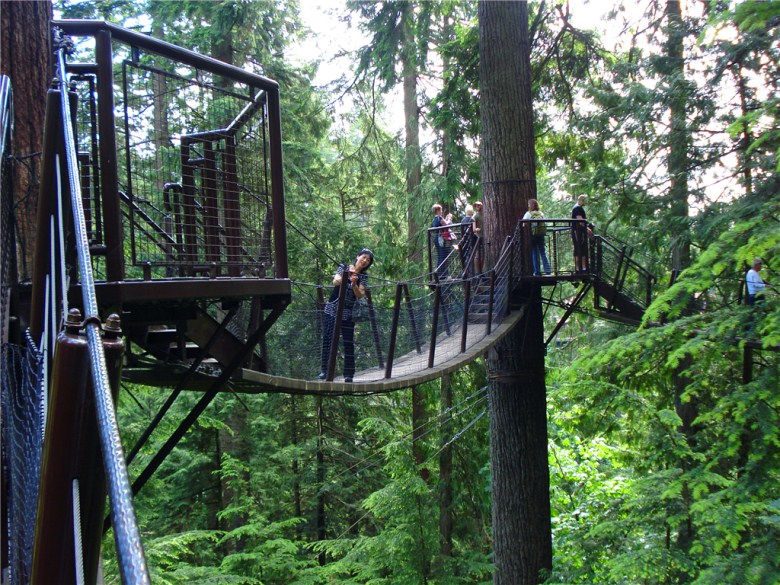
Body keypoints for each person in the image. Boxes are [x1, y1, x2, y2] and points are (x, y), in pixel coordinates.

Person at [319, 249, 374, 383]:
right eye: (364, 257)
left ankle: (349, 374)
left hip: (348, 314)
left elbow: (360, 295)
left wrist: (354, 283)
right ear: (358, 256)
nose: (365, 261)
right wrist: (348, 276)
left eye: (368, 260)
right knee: (328, 339)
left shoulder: (364, 277)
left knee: (348, 343)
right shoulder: (344, 267)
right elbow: (336, 281)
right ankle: (325, 371)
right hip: (332, 309)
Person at [523, 199, 551, 276]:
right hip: (541, 235)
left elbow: (524, 224)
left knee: (535, 253)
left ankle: (537, 272)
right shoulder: (541, 213)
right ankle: (548, 271)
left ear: (530, 205)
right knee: (543, 253)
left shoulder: (528, 213)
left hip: (533, 235)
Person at [571, 195, 593, 273]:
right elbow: (580, 220)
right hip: (578, 232)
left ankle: (582, 267)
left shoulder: (577, 207)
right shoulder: (577, 208)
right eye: (584, 200)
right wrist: (587, 229)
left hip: (579, 232)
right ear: (581, 200)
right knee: (579, 249)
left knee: (581, 249)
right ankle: (579, 268)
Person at [431, 204, 453, 278]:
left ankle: (440, 274)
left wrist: (446, 219)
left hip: (437, 239)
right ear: (437, 211)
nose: (442, 211)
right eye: (440, 209)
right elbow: (446, 224)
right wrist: (449, 218)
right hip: (441, 239)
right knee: (443, 256)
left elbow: (442, 224)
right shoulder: (439, 218)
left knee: (440, 256)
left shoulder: (434, 219)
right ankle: (442, 275)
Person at [459, 204, 476, 276]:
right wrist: (478, 229)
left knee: (466, 255)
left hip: (465, 240)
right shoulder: (472, 219)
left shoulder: (463, 220)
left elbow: (462, 231)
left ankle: (466, 271)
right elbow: (474, 230)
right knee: (471, 255)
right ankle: (471, 273)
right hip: (471, 240)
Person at [472, 201, 484, 272]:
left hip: (485, 237)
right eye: (476, 206)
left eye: (479, 205)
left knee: (483, 256)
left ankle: (481, 271)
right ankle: (478, 273)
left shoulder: (485, 214)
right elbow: (474, 229)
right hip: (479, 237)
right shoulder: (475, 216)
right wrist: (477, 229)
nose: (478, 207)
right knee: (478, 255)